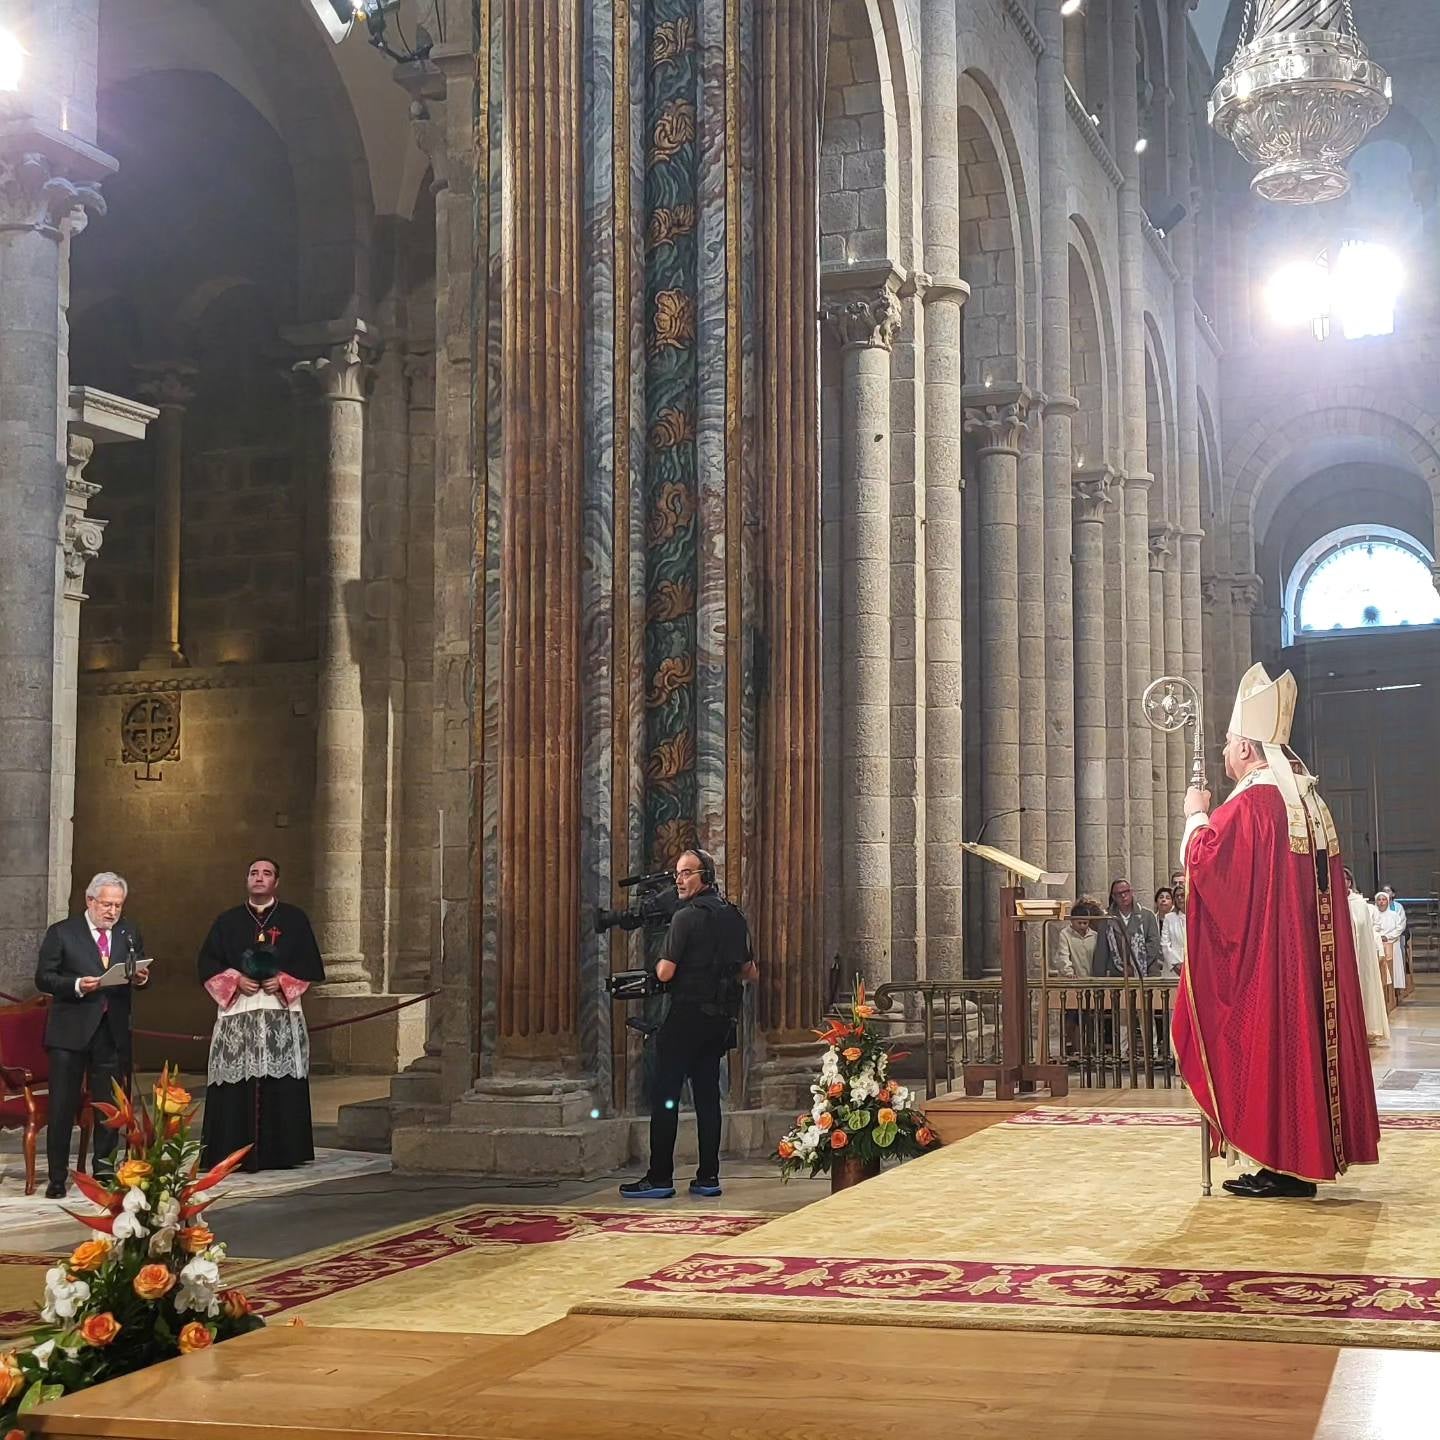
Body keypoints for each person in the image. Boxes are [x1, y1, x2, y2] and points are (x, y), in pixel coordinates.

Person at [1174, 662, 1379, 1199]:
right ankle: (1290, 1163)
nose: (1221, 754)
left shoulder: (1252, 805)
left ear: (1246, 748)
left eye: (1226, 743)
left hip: (1272, 963)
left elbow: (1208, 868)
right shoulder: (1307, 802)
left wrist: (1196, 816)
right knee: (1301, 1045)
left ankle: (1286, 1162)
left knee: (1270, 1044)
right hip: (1309, 964)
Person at [620, 849, 757, 1200]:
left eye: (686, 873)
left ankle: (660, 1177)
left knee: (665, 1096)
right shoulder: (735, 916)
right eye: (677, 874)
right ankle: (708, 1177)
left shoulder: (685, 918)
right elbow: (750, 972)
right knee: (708, 1098)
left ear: (705, 876)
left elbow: (666, 972)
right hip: (719, 1022)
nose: (679, 880)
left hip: (686, 1018)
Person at [197, 858, 324, 1170]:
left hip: (279, 1009)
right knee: (235, 1082)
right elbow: (206, 963)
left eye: (266, 873)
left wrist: (281, 980)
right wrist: (235, 980)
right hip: (239, 1008)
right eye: (254, 872)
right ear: (247, 879)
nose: (259, 877)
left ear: (275, 882)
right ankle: (230, 1149)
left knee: (279, 1080)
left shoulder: (294, 919)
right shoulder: (227, 921)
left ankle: (283, 1152)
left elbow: (309, 964)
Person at [34, 872, 151, 1197]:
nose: (112, 911)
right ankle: (57, 1177)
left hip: (111, 1032)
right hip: (69, 1032)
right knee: (62, 1106)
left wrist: (140, 978)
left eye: (118, 905)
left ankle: (104, 1170)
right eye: (106, 904)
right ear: (90, 901)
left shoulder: (128, 932)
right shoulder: (62, 932)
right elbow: (44, 978)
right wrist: (75, 985)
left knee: (109, 1108)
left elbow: (138, 972)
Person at [1345, 867, 1390, 1044]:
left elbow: (1363, 928)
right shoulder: (1329, 901)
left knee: (1364, 985)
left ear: (1351, 881)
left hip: (1360, 956)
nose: (1344, 882)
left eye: (1347, 879)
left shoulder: (1359, 903)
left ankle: (1367, 1028)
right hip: (1342, 958)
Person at [1093, 878, 1162, 977]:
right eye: (1119, 893)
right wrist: (1099, 976)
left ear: (1132, 892)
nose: (1123, 896)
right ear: (1113, 896)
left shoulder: (1147, 916)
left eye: (1126, 891)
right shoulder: (1107, 919)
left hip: (1146, 971)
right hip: (1117, 973)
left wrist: (1134, 966)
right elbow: (1102, 950)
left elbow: (1153, 944)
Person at [1374, 889, 1408, 995]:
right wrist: (1379, 937)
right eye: (1379, 900)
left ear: (1388, 901)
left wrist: (1388, 937)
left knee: (1394, 966)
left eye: (1384, 899)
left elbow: (1399, 928)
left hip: (1392, 942)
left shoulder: (1394, 915)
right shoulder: (1373, 915)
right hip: (1378, 943)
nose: (1381, 902)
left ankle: (1395, 990)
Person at [1157, 884, 1187, 978]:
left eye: (1182, 895)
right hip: (1174, 968)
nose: (1179, 898)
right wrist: (1176, 964)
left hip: (1193, 965)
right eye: (1177, 896)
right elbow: (1165, 944)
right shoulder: (1169, 918)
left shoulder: (1197, 917)